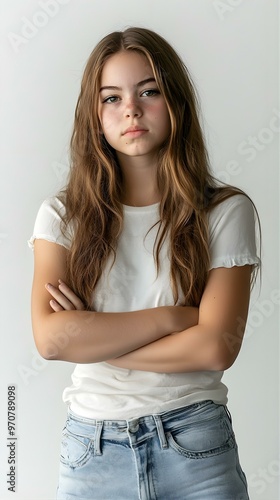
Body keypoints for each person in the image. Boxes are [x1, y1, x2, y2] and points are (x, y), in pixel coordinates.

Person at [29, 27, 260, 500]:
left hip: (196, 443)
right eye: (111, 98)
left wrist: (98, 340)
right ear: (94, 117)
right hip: (91, 450)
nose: (131, 109)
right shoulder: (62, 216)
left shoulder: (224, 211)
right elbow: (52, 340)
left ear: (176, 101)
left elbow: (216, 348)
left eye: (148, 91)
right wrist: (174, 319)